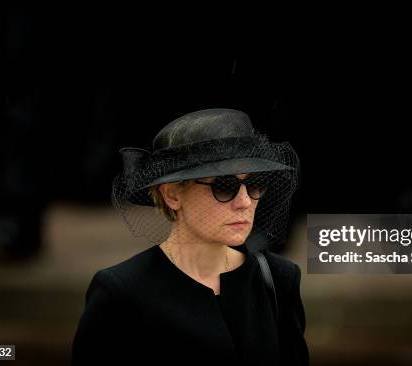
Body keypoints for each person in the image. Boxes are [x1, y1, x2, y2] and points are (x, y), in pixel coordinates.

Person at [72, 108, 309, 365]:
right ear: (172, 195)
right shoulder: (121, 292)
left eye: (254, 184)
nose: (245, 202)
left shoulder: (277, 279)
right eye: (224, 186)